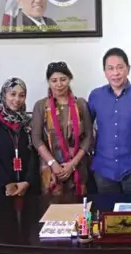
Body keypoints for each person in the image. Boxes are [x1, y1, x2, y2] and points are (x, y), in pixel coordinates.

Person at [88, 48, 131, 194]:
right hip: (103, 169)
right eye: (110, 68)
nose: (115, 73)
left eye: (120, 67)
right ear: (105, 71)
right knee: (106, 214)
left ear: (128, 69)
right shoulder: (95, 96)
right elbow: (86, 130)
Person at [31, 62, 93, 196]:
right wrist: (53, 163)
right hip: (51, 169)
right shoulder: (41, 106)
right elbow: (36, 138)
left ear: (70, 79)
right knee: (52, 211)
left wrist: (73, 163)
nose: (59, 84)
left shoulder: (80, 104)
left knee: (78, 211)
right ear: (48, 82)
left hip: (77, 167)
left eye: (63, 79)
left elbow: (88, 136)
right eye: (54, 80)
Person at [0, 77, 40, 208]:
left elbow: (35, 154)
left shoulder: (29, 123)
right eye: (12, 94)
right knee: (3, 225)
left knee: (29, 224)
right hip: (2, 187)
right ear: (4, 95)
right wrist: (7, 183)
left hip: (28, 187)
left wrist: (27, 182)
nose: (17, 99)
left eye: (22, 95)